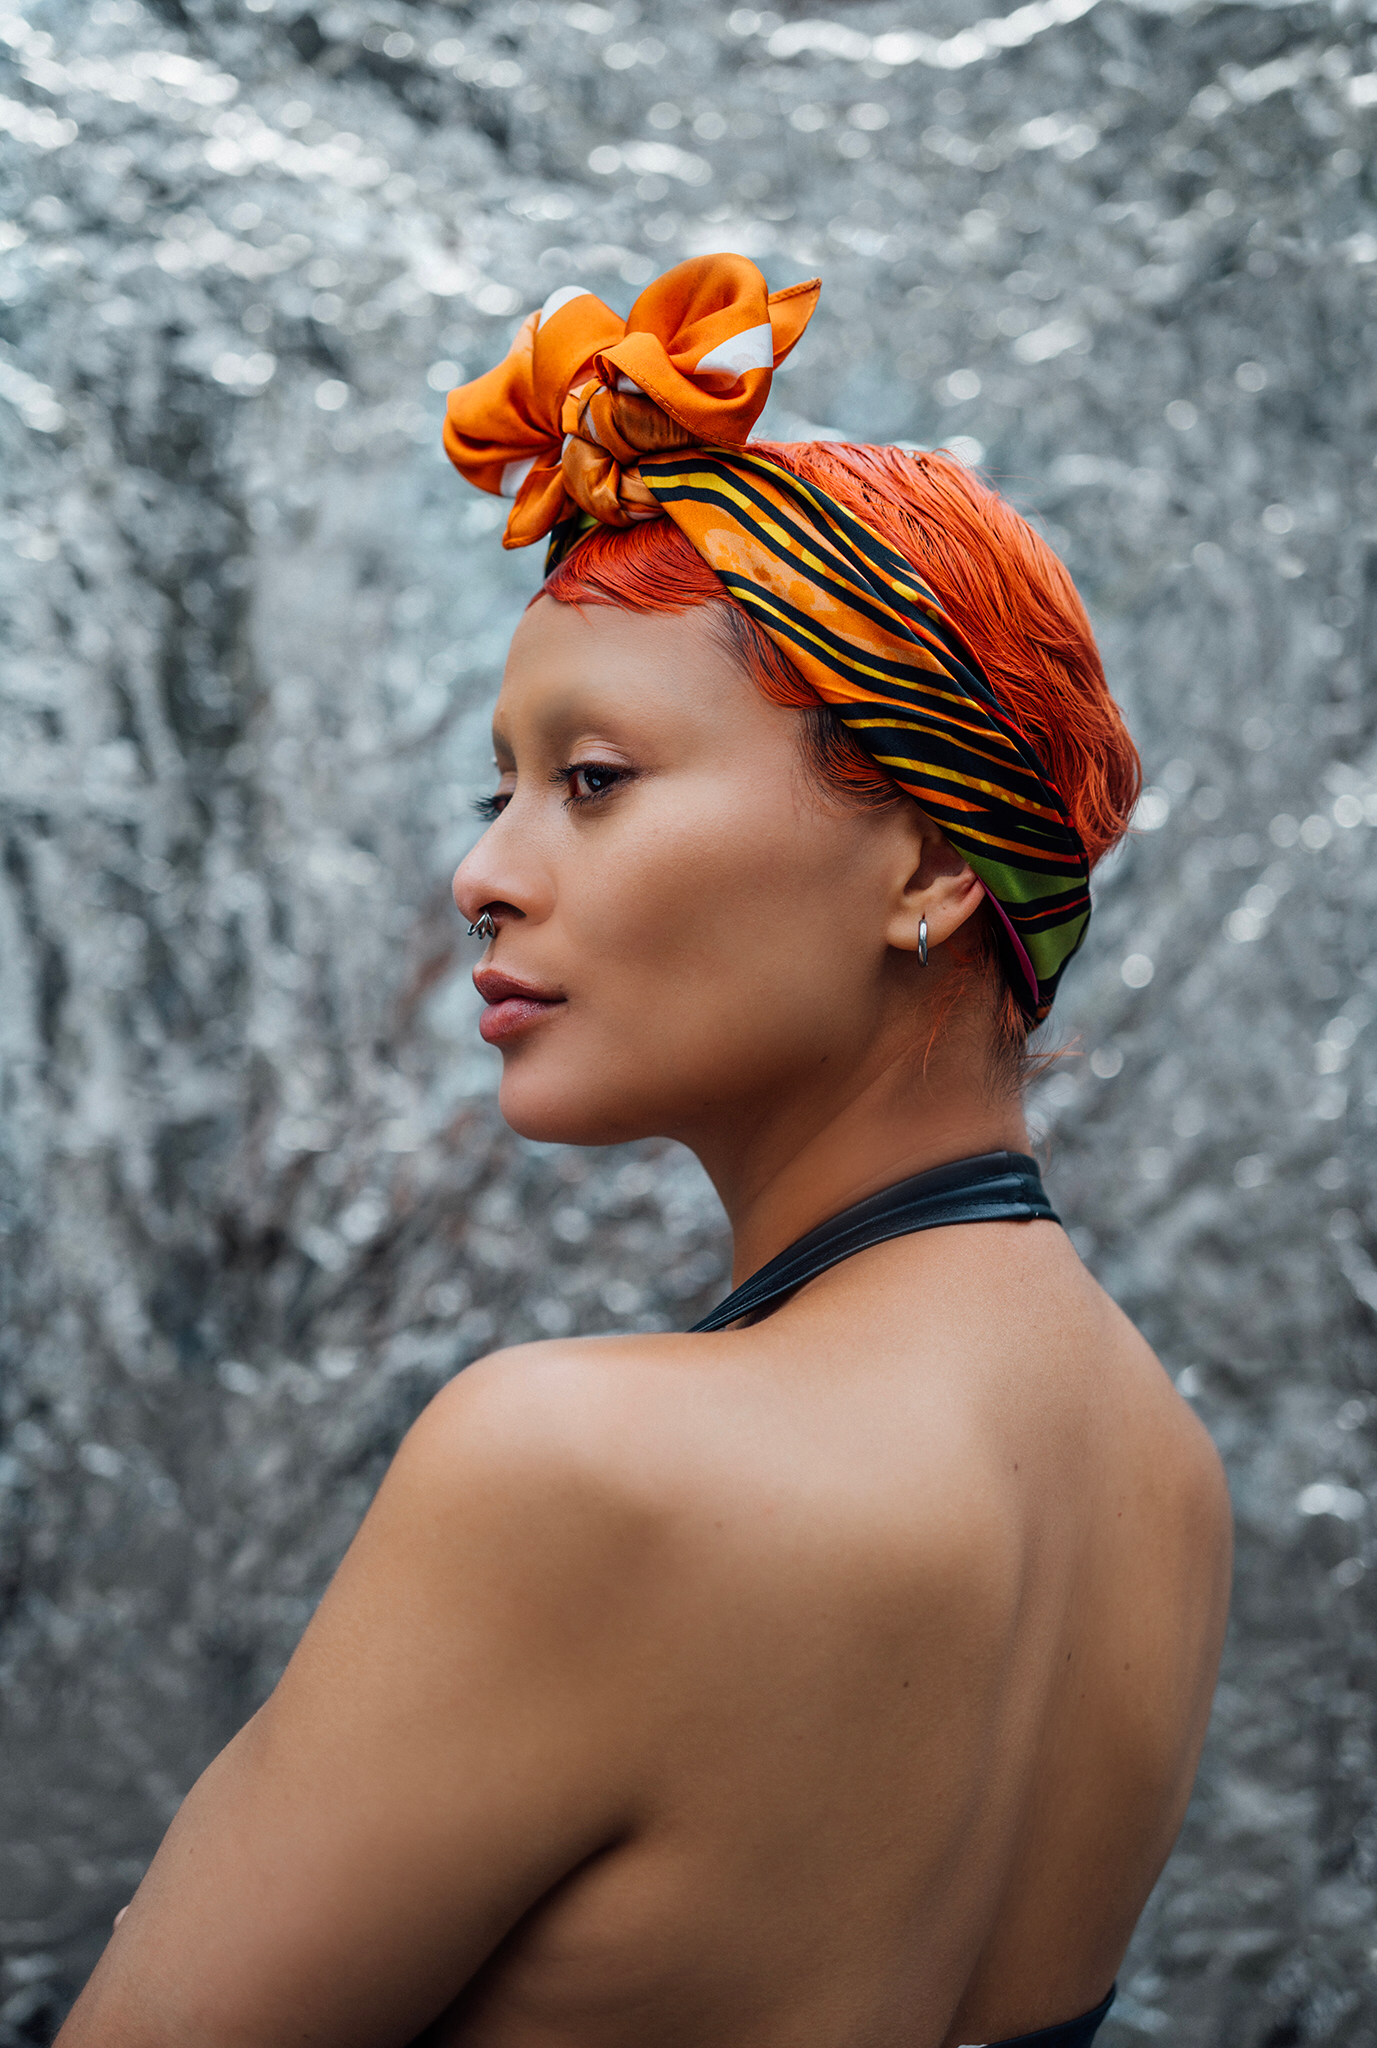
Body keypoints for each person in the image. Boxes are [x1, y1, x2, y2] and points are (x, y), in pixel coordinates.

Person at [58, 257, 1231, 2048]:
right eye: (500, 792)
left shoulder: (575, 1472)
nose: (484, 873)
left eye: (593, 780)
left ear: (930, 864)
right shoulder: (1168, 1487)